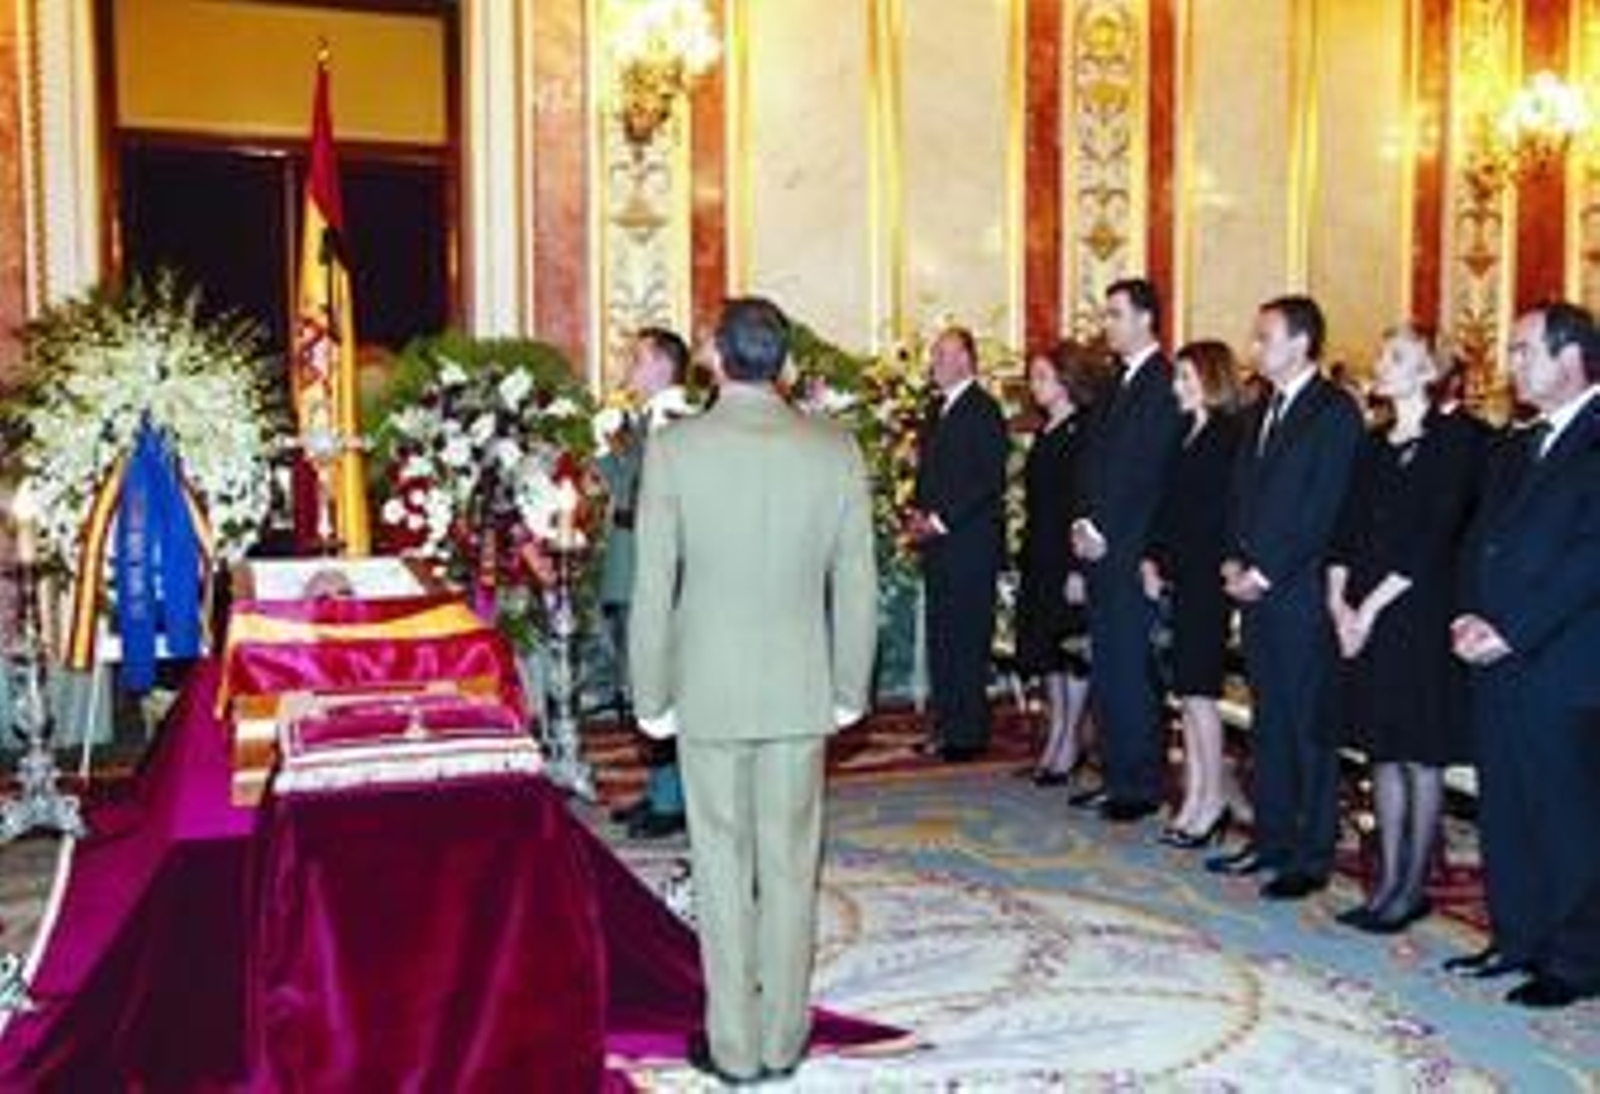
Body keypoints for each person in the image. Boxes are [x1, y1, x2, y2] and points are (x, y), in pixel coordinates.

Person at [629, 297, 879, 1079]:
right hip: (802, 686)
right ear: (786, 360)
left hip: (707, 688)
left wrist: (649, 693)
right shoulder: (834, 448)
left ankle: (734, 1047)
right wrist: (850, 689)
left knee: (722, 861)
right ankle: (783, 1036)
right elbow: (858, 582)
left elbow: (653, 585)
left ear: (716, 356)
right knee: (791, 862)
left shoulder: (677, 448)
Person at [1446, 301, 1600, 1009]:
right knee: (1504, 802)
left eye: (1523, 350)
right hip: (1494, 650)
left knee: (1564, 812)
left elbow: (1588, 560)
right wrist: (1468, 615)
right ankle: (1516, 937)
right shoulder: (1517, 442)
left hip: (1562, 661)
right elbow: (1479, 539)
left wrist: (1513, 628)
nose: (1511, 363)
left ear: (1570, 359)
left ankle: (1574, 960)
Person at [1326, 324, 1486, 933]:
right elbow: (1343, 530)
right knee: (1382, 752)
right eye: (1384, 352)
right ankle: (1386, 882)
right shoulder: (1371, 443)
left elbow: (1434, 537)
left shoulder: (1458, 441)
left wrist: (1366, 611)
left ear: (1427, 371)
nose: (1381, 363)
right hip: (1363, 615)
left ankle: (1411, 887)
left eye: (1397, 356)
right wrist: (1339, 602)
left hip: (1415, 616)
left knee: (1420, 757)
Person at [1207, 295, 1363, 900]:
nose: (1253, 347)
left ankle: (1309, 852)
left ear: (1300, 343)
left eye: (1264, 337)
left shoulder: (1334, 412)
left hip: (1298, 593)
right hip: (1255, 589)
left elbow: (1322, 509)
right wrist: (1231, 557)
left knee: (1307, 728)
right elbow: (1240, 495)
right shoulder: (1261, 409)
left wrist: (1265, 572)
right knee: (1269, 722)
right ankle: (1270, 839)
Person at [1071, 278, 1184, 820]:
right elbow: (1093, 465)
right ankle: (1117, 773)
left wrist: (1107, 531)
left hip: (1131, 545)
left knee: (1132, 670)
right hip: (1100, 545)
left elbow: (1150, 474)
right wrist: (1082, 523)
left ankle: (1139, 784)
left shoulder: (1164, 382)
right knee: (1109, 666)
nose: (1106, 324)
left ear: (1145, 319)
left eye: (1115, 314)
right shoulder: (1116, 384)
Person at [1142, 340, 1243, 848]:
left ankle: (1210, 800)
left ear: (1210, 381)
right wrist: (1153, 557)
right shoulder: (1185, 433)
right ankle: (1197, 795)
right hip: (1180, 576)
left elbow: (1223, 516)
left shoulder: (1228, 436)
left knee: (1201, 694)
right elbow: (1168, 506)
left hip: (1207, 580)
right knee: (1186, 694)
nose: (1176, 387)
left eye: (1185, 378)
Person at [600, 327, 695, 839]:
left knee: (664, 685)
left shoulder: (678, 424)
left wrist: (612, 450)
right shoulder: (644, 423)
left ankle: (673, 799)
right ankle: (662, 790)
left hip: (658, 574)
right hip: (631, 566)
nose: (628, 371)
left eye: (636, 360)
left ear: (662, 366)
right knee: (642, 688)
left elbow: (641, 500)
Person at [908, 327, 1010, 762]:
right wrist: (916, 514)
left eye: (945, 353)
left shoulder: (983, 409)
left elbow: (987, 480)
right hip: (939, 546)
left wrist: (940, 521)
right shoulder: (937, 409)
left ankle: (967, 735)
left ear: (968, 360)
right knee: (943, 638)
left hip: (969, 545)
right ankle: (947, 725)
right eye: (934, 353)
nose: (936, 361)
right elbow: (931, 474)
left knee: (967, 640)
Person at [1015, 340, 1110, 784]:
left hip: (1067, 553)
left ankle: (1071, 739)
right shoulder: (1044, 429)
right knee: (1047, 649)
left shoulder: (1084, 430)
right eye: (1032, 377)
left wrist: (1079, 570)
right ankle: (1057, 733)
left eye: (1043, 377)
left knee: (1072, 650)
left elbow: (1084, 501)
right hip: (1040, 551)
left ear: (1067, 380)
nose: (1035, 386)